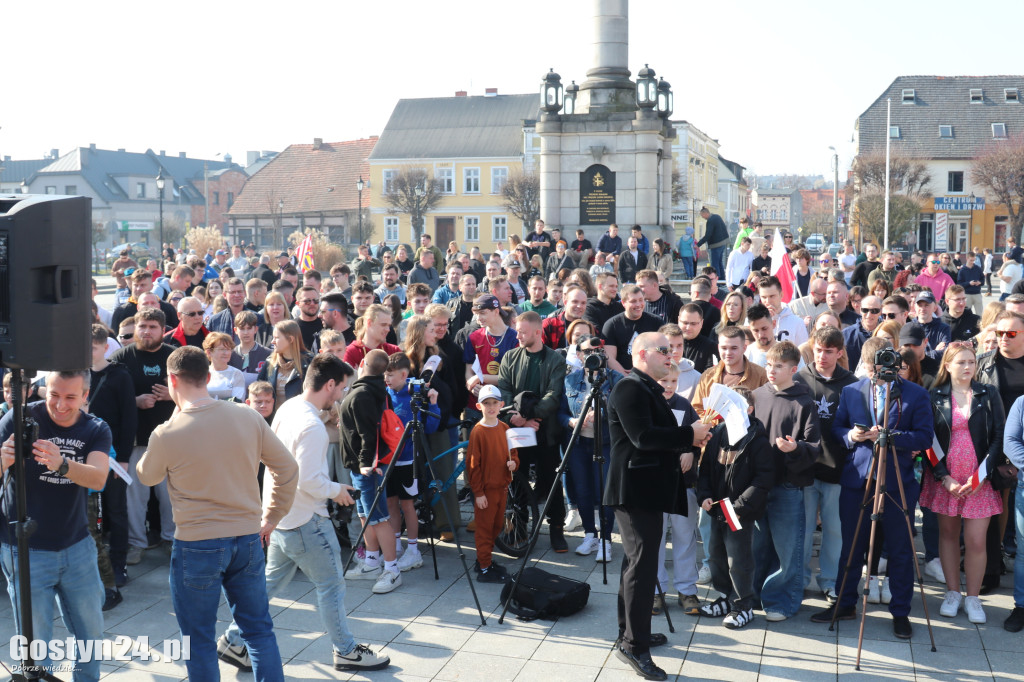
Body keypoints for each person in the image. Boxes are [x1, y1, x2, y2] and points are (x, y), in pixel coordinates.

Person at [135, 346, 299, 680]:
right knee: (259, 631)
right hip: (248, 536)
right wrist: (273, 517)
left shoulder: (167, 433)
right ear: (208, 377)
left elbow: (146, 476)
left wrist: (171, 423)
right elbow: (288, 468)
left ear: (172, 380)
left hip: (197, 544)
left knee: (197, 640)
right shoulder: (248, 416)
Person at [604, 332, 712, 681]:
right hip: (633, 491)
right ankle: (634, 646)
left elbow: (659, 432)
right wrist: (688, 436)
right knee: (642, 568)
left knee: (638, 565)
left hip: (647, 489)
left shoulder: (647, 387)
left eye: (671, 350)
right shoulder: (629, 387)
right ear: (640, 353)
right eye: (663, 350)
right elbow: (643, 438)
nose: (670, 355)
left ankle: (630, 634)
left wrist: (693, 437)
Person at [812, 337, 934, 640]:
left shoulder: (915, 395)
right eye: (869, 366)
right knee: (851, 546)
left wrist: (890, 436)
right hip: (858, 478)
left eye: (878, 366)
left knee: (901, 551)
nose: (874, 372)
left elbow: (924, 438)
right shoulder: (852, 391)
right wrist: (852, 435)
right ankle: (844, 603)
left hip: (896, 481)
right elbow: (838, 428)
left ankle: (901, 612)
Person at [0, 371, 112, 682]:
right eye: (53, 395)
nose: (60, 404)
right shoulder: (18, 418)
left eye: (70, 397)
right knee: (36, 648)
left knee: (91, 637)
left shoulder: (95, 428)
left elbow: (98, 478)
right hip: (25, 548)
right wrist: (3, 460)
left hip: (76, 546)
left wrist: (61, 464)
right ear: (42, 390)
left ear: (85, 396)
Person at [921, 343, 1005, 625]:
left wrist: (981, 477)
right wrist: (944, 477)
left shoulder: (988, 394)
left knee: (976, 540)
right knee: (947, 534)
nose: (968, 367)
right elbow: (928, 442)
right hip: (947, 479)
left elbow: (997, 438)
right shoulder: (935, 396)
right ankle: (952, 592)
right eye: (961, 362)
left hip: (978, 479)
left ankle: (972, 597)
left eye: (971, 361)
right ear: (947, 365)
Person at [750, 342, 821, 622]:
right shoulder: (756, 396)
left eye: (778, 366)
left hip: (788, 484)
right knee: (757, 544)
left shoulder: (804, 401)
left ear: (793, 369)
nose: (771, 370)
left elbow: (814, 445)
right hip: (757, 484)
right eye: (768, 364)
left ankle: (782, 601)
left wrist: (796, 449)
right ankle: (754, 595)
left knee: (787, 547)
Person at [696, 387, 774, 629]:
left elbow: (764, 479)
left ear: (748, 409)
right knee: (716, 553)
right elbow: (706, 469)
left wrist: (741, 507)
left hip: (738, 510)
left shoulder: (757, 440)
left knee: (738, 557)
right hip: (717, 508)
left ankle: (743, 604)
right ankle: (724, 596)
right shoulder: (719, 433)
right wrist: (705, 496)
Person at [108, 308, 177, 566]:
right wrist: (133, 401)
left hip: (170, 440)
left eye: (152, 327)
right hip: (135, 441)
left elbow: (197, 390)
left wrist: (172, 395)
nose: (146, 331)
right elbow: (105, 398)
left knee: (170, 496)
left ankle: (172, 539)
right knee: (135, 498)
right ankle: (136, 543)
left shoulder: (174, 357)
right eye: (142, 326)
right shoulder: (121, 358)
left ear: (163, 330)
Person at [497, 311, 569, 551]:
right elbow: (504, 390)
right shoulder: (510, 357)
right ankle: (518, 527)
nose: (517, 335)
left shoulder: (555, 360)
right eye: (517, 330)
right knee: (516, 479)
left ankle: (556, 529)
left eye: (523, 332)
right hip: (517, 429)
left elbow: (553, 395)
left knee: (551, 481)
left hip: (545, 431)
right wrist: (517, 418)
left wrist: (529, 416)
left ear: (538, 333)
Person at [796, 326, 858, 603]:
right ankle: (798, 579)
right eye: (818, 350)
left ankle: (830, 580)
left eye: (829, 351)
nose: (822, 356)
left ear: (840, 352)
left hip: (838, 468)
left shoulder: (851, 383)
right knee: (804, 528)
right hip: (805, 468)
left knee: (834, 530)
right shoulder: (800, 378)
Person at [340, 349, 403, 593]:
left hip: (367, 468)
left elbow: (369, 434)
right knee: (366, 515)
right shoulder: (374, 389)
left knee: (378, 517)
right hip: (363, 466)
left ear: (363, 363)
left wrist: (368, 464)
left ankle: (392, 570)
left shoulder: (363, 393)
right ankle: (372, 562)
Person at [559, 336, 621, 560]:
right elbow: (560, 412)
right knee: (583, 490)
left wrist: (602, 414)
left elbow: (622, 411)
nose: (593, 355)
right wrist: (571, 421)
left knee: (604, 490)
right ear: (578, 355)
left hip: (604, 443)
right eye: (587, 351)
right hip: (577, 443)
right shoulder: (570, 379)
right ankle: (589, 534)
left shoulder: (615, 380)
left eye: (598, 350)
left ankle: (605, 539)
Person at [382, 352, 439, 572]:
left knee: (408, 505)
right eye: (385, 374)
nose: (386, 379)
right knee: (390, 503)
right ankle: (395, 545)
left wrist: (432, 403)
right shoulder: (385, 393)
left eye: (390, 375)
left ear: (404, 374)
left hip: (408, 461)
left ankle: (413, 550)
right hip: (389, 459)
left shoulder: (416, 393)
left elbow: (431, 428)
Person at [466, 384, 521, 581]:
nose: (491, 407)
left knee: (497, 525)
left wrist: (513, 463)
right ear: (479, 406)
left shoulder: (505, 428)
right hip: (486, 491)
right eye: (486, 403)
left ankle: (485, 560)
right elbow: (473, 466)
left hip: (502, 487)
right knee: (484, 528)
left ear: (501, 405)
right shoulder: (478, 432)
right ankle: (484, 567)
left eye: (494, 403)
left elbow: (513, 454)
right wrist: (478, 493)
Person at [603, 284, 664, 375]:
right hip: (621, 377)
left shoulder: (656, 322)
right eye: (633, 301)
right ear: (623, 303)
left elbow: (663, 351)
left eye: (641, 300)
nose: (638, 305)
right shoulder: (612, 325)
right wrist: (626, 376)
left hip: (650, 375)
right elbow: (609, 357)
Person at [758, 275, 808, 347]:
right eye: (764, 297)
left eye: (772, 296)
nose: (768, 301)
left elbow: (803, 353)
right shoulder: (753, 321)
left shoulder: (797, 322)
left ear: (781, 295)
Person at [205, 331, 246, 401]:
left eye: (228, 349)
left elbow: (238, 401)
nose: (226, 353)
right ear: (209, 352)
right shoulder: (201, 374)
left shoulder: (236, 374)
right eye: (222, 349)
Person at [695, 207, 729, 278]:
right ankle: (722, 279)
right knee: (720, 263)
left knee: (715, 264)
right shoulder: (717, 217)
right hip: (723, 242)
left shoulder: (710, 221)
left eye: (702, 215)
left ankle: (717, 281)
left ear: (705, 213)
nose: (702, 217)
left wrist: (698, 244)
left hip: (715, 245)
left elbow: (708, 235)